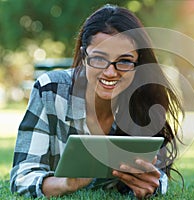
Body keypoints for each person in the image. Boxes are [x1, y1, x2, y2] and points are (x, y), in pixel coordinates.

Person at [10, 4, 184, 199]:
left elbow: (158, 176)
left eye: (125, 61)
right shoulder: (51, 91)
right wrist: (66, 184)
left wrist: (152, 185)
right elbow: (21, 177)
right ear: (84, 56)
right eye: (99, 59)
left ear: (138, 64)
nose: (110, 72)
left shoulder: (142, 100)